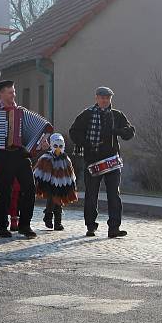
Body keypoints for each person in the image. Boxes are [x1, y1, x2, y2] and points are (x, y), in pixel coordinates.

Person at [69, 86, 135, 238]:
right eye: (102, 97)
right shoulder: (87, 114)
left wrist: (119, 131)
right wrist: (85, 143)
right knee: (91, 195)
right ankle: (91, 226)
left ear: (110, 99)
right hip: (92, 160)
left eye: (107, 98)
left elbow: (129, 132)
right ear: (96, 98)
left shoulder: (117, 116)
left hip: (112, 161)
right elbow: (74, 131)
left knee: (114, 195)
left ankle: (114, 228)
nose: (105, 100)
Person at [0, 80, 40, 239]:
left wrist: (40, 142)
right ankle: (2, 226)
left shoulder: (22, 112)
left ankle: (25, 225)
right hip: (4, 156)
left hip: (22, 156)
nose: (13, 95)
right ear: (1, 94)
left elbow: (32, 134)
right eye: (10, 92)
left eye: (14, 92)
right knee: (4, 191)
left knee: (30, 188)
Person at [33, 133, 77, 231]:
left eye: (60, 146)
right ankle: (48, 216)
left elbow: (70, 172)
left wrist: (71, 183)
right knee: (52, 199)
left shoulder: (65, 159)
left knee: (59, 202)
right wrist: (40, 180)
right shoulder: (46, 157)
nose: (58, 149)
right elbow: (39, 170)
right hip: (49, 184)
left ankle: (58, 222)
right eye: (55, 146)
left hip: (61, 184)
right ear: (51, 145)